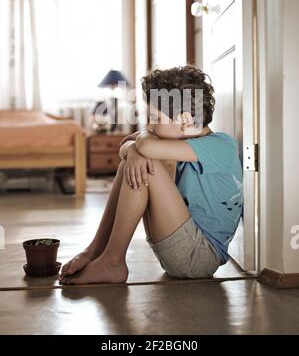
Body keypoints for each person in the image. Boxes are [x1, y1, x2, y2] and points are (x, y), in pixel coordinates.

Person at [60, 66, 243, 285]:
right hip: (181, 245)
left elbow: (142, 144)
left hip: (199, 256)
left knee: (146, 163)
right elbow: (126, 145)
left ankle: (112, 262)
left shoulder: (221, 146)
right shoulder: (182, 141)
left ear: (185, 121)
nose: (149, 125)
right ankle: (95, 251)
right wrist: (135, 152)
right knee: (132, 164)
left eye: (155, 118)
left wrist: (138, 150)